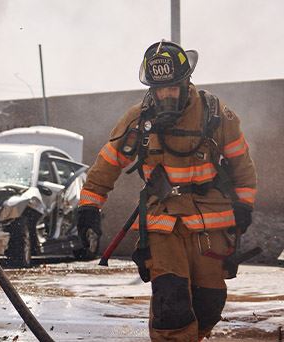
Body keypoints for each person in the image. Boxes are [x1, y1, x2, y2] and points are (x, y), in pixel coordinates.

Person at [76, 41, 257, 341]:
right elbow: (107, 163)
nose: (166, 95)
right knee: (170, 303)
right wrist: (88, 208)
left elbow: (242, 165)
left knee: (210, 303)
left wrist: (245, 205)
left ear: (186, 81)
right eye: (159, 89)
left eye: (172, 87)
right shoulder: (139, 120)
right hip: (164, 223)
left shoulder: (216, 116)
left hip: (210, 223)